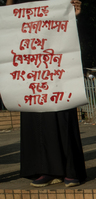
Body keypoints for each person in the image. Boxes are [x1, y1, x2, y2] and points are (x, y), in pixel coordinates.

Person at [6, 0, 87, 188]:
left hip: (56, 55)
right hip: (30, 58)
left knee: (62, 108)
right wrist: (9, 10)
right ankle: (45, 170)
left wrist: (71, 15)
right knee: (35, 112)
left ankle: (69, 169)